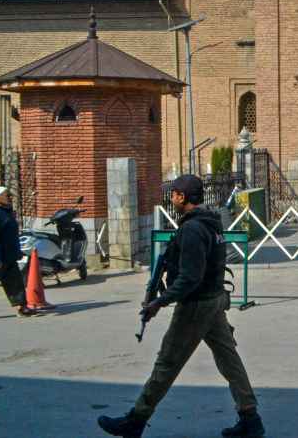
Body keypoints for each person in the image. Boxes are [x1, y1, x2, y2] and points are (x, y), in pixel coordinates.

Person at [98, 175, 265, 438]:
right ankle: (250, 418)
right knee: (228, 358)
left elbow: (190, 277)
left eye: (174, 193)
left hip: (197, 305)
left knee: (167, 363)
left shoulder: (193, 229)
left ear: (183, 197)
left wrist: (158, 302)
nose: (171, 197)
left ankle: (136, 419)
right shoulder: (210, 223)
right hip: (213, 300)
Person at [0, 186, 36, 317]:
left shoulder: (8, 214)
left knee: (15, 283)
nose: (10, 198)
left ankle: (22, 307)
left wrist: (17, 252)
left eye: (10, 195)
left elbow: (12, 236)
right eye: (7, 195)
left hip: (9, 257)